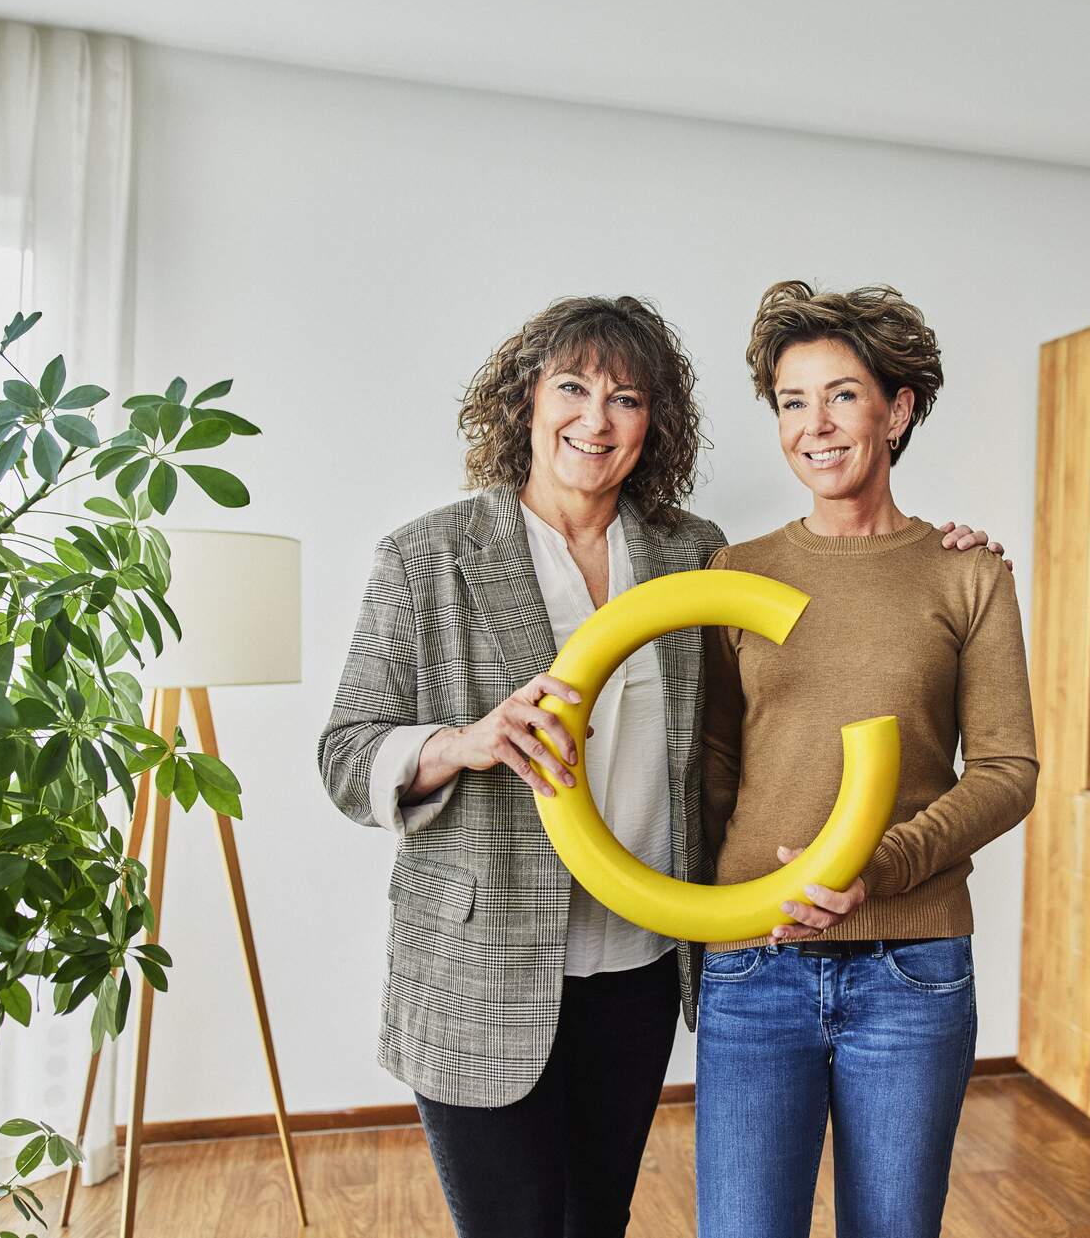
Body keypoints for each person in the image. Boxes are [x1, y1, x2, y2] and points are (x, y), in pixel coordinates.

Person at [317, 294, 1000, 1238]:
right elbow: (345, 752)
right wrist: (462, 742)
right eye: (572, 388)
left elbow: (735, 738)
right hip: (484, 965)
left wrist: (948, 555)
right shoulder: (428, 556)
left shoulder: (691, 554)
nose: (595, 420)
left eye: (627, 399)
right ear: (525, 400)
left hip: (636, 965)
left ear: (653, 425)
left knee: (598, 1218)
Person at [695, 281, 1039, 1238]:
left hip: (911, 972)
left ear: (898, 410)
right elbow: (717, 761)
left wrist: (875, 867)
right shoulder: (735, 573)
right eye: (792, 401)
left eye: (842, 395)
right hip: (755, 961)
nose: (815, 424)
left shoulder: (967, 572)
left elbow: (1008, 768)